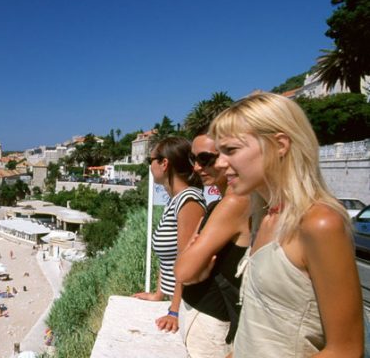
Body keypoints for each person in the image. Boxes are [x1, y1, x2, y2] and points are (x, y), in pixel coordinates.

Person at [209, 92, 363, 357]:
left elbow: (346, 350)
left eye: (231, 150)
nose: (220, 164)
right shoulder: (264, 216)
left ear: (280, 144)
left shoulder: (319, 224)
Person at [174, 130, 251, 357]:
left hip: (212, 325)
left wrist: (193, 268)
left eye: (205, 159)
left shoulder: (234, 202)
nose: (197, 167)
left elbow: (184, 271)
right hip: (203, 318)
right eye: (193, 159)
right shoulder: (219, 203)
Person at [133, 136, 206, 333]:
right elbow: (169, 257)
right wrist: (158, 294)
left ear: (164, 163)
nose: (150, 166)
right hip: (175, 301)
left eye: (151, 161)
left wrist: (174, 311)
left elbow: (186, 258)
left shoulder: (188, 201)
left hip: (187, 307)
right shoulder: (175, 201)